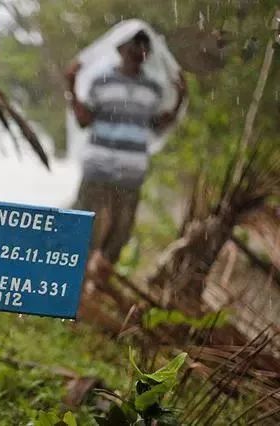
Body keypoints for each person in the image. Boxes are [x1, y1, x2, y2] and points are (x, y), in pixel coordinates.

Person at [65, 25, 187, 279]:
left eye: (144, 46)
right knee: (86, 226)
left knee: (120, 232)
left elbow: (157, 125)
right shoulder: (101, 82)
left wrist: (179, 100)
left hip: (130, 172)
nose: (138, 51)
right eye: (133, 45)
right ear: (120, 49)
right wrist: (71, 84)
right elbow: (84, 120)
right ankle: (73, 281)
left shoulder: (153, 89)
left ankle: (97, 282)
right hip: (98, 168)